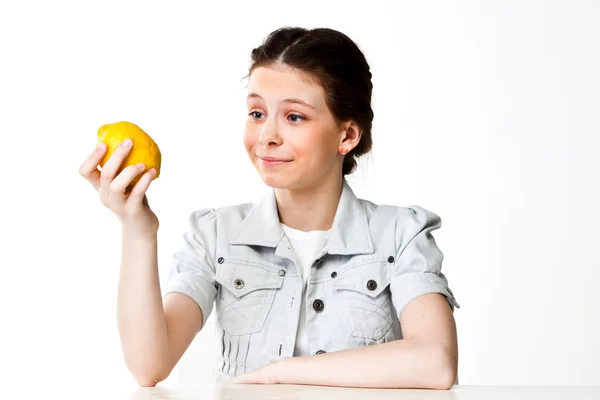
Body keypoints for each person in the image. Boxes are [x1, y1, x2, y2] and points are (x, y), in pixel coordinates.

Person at [79, 26, 460, 390]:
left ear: (347, 135)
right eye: (257, 113)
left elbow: (436, 361)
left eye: (294, 117)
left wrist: (283, 373)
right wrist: (137, 229)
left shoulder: (401, 234)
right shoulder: (214, 234)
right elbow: (148, 366)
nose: (268, 136)